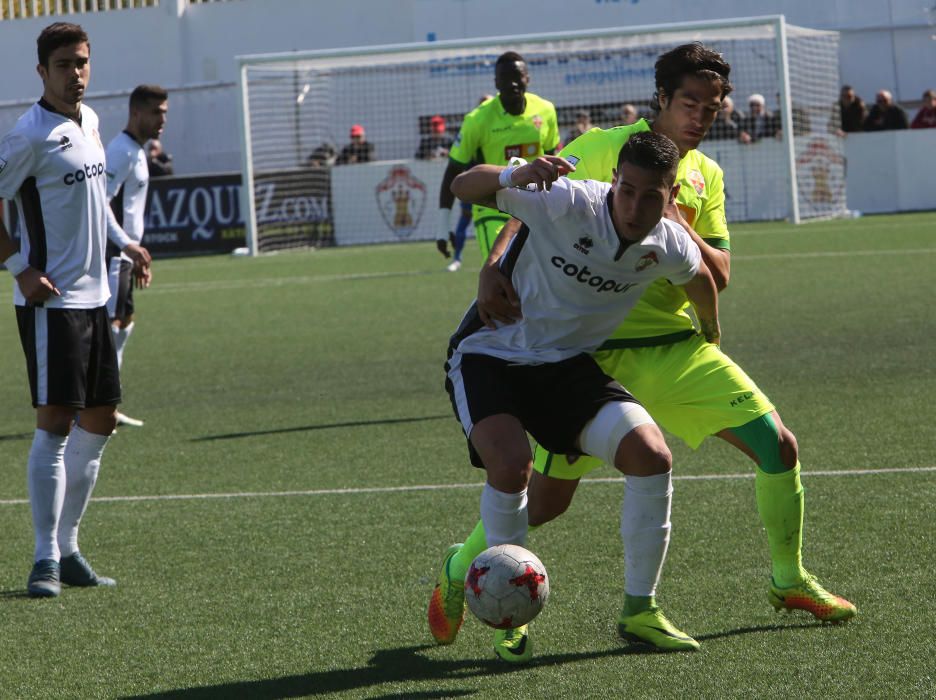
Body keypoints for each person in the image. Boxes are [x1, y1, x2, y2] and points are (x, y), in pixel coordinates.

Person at [428, 42, 856, 664]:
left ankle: (785, 581)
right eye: (690, 103)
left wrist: (674, 218)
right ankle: (468, 569)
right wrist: (490, 268)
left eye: (712, 108)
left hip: (674, 348)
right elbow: (531, 212)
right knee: (543, 499)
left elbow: (718, 273)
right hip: (590, 352)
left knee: (777, 444)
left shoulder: (704, 176)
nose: (701, 117)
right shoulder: (606, 147)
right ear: (661, 98)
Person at [434, 132, 719, 663]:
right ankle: (506, 622)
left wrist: (710, 326)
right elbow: (462, 184)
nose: (635, 206)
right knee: (513, 463)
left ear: (671, 193)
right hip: (490, 352)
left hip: (565, 366)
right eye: (626, 190)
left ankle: (640, 610)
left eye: (650, 195)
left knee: (651, 456)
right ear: (614, 181)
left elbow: (701, 279)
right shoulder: (568, 200)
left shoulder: (670, 242)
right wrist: (512, 176)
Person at [0, 22, 152, 598]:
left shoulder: (89, 123)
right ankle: (43, 560)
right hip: (51, 303)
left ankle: (69, 547)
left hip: (96, 300)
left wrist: (124, 242)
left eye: (82, 62)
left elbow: (95, 202)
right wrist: (21, 271)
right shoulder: (27, 136)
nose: (76, 73)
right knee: (56, 425)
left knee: (101, 421)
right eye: (64, 64)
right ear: (42, 72)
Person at [435, 51, 559, 266]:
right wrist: (443, 224)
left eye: (517, 76)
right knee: (503, 273)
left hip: (537, 206)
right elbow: (454, 169)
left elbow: (554, 157)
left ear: (527, 78)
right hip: (493, 207)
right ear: (496, 83)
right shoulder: (477, 120)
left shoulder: (546, 110)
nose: (512, 83)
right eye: (505, 78)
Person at [104, 84, 168, 428]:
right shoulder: (121, 152)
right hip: (113, 254)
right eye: (156, 112)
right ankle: (91, 407)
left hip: (125, 255)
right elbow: (102, 203)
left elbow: (130, 208)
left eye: (165, 112)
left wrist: (138, 254)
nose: (162, 119)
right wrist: (126, 246)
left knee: (124, 323)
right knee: (109, 328)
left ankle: (107, 405)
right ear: (136, 113)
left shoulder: (139, 151)